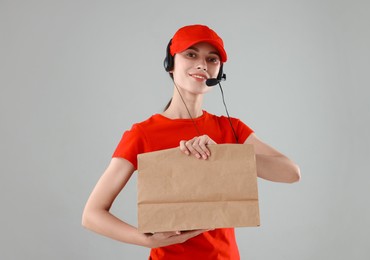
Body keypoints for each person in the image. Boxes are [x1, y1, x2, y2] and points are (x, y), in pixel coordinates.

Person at [82, 24, 300, 260]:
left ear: (219, 72)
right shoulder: (143, 134)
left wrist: (225, 156)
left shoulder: (230, 128)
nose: (202, 65)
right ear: (170, 64)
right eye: (191, 54)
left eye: (212, 59)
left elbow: (291, 173)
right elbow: (92, 215)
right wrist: (147, 240)